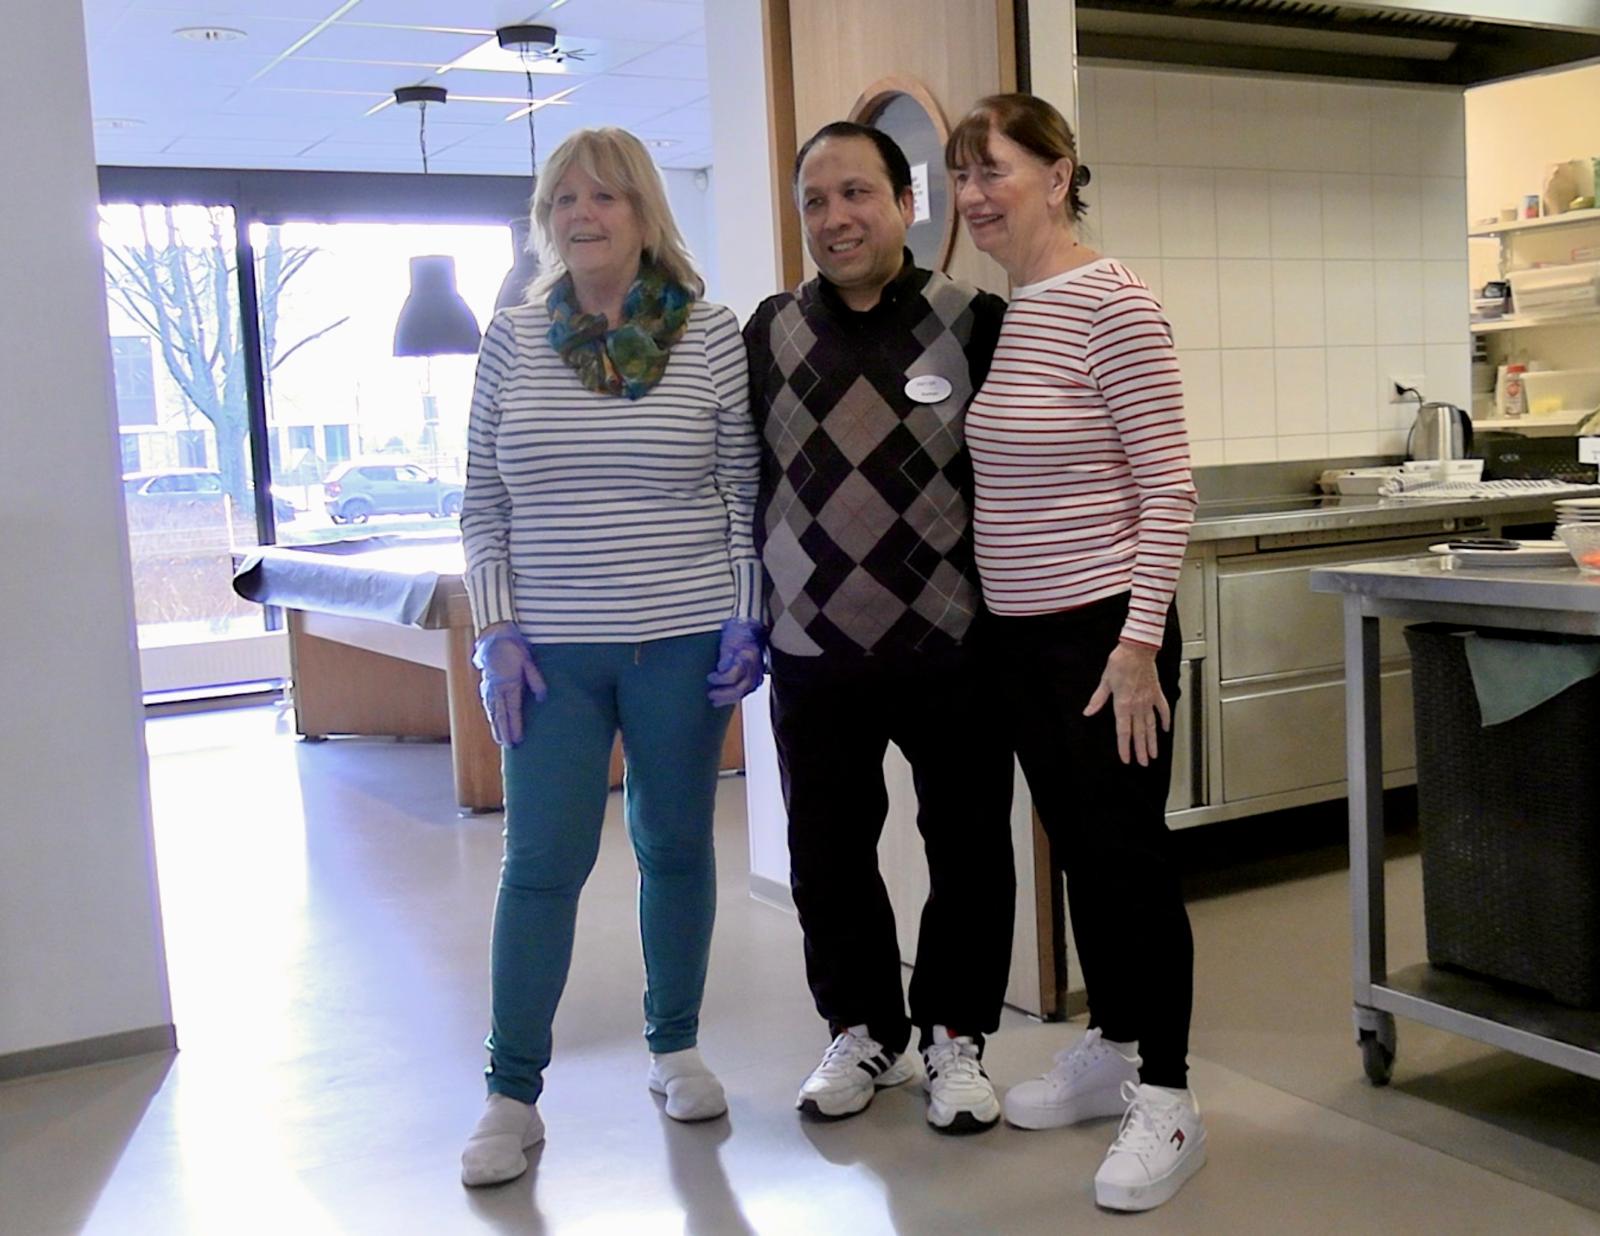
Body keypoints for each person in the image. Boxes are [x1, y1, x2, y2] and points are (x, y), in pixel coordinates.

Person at [456, 126, 764, 1188]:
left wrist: (745, 614)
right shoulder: (510, 340)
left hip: (681, 640)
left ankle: (674, 1046)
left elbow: (742, 489)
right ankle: (511, 1093)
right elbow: (482, 503)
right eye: (563, 200)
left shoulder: (709, 334)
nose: (581, 215)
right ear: (545, 221)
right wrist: (495, 629)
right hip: (549, 656)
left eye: (604, 197)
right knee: (541, 863)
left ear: (643, 213)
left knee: (674, 845)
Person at [946, 93, 1204, 1211]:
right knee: (1082, 858)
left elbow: (1170, 487)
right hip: (1022, 640)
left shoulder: (1113, 302)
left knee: (1129, 862)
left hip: (1105, 638)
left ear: (1057, 176)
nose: (971, 196)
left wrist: (1138, 643)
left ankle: (1169, 1095)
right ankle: (1113, 1044)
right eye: (960, 176)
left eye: (992, 170)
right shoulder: (1013, 312)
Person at [743, 121, 1016, 1134]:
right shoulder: (770, 333)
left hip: (950, 645)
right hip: (812, 650)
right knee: (825, 852)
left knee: (968, 847)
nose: (835, 218)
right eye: (815, 201)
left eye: (856, 194)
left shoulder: (974, 321)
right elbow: (745, 480)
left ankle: (954, 1035)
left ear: (906, 204)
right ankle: (862, 1029)